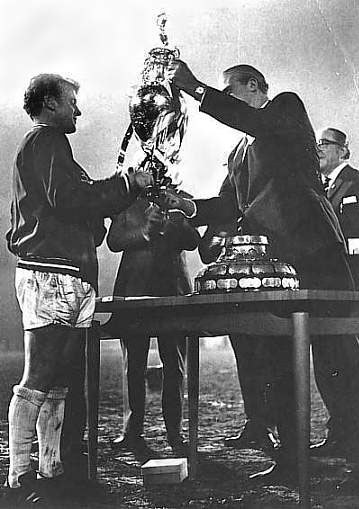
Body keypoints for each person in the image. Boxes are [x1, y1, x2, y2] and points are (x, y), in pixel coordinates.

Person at [164, 60, 359, 491]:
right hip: (277, 263)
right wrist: (186, 206)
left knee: (337, 357)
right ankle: (291, 457)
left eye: (231, 90)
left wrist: (196, 90)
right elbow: (229, 207)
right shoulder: (239, 152)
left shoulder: (286, 109)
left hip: (316, 252)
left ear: (254, 87)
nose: (227, 97)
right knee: (277, 360)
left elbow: (248, 119)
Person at [4, 73, 152, 506]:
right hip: (51, 273)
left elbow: (80, 211)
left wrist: (112, 194)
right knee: (39, 379)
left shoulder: (49, 150)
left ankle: (50, 471)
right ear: (50, 104)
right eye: (72, 102)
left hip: (70, 273)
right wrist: (126, 185)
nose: (78, 110)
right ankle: (18, 476)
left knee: (58, 383)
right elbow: (71, 201)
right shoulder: (46, 141)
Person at [105, 196, 200, 460]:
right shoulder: (126, 203)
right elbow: (113, 242)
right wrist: (145, 233)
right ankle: (132, 432)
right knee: (133, 365)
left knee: (175, 365)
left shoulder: (176, 204)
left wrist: (177, 215)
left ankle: (175, 434)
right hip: (135, 293)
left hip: (172, 292)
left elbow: (193, 242)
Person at [311, 127, 359, 457]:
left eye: (325, 143)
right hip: (328, 290)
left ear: (343, 151)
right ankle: (341, 432)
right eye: (316, 143)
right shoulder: (314, 189)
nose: (318, 148)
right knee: (330, 364)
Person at [198, 221, 279, 451]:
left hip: (268, 299)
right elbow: (207, 252)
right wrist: (223, 237)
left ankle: (271, 426)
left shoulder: (266, 205)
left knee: (269, 364)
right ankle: (256, 423)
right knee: (246, 364)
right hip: (236, 301)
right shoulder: (227, 213)